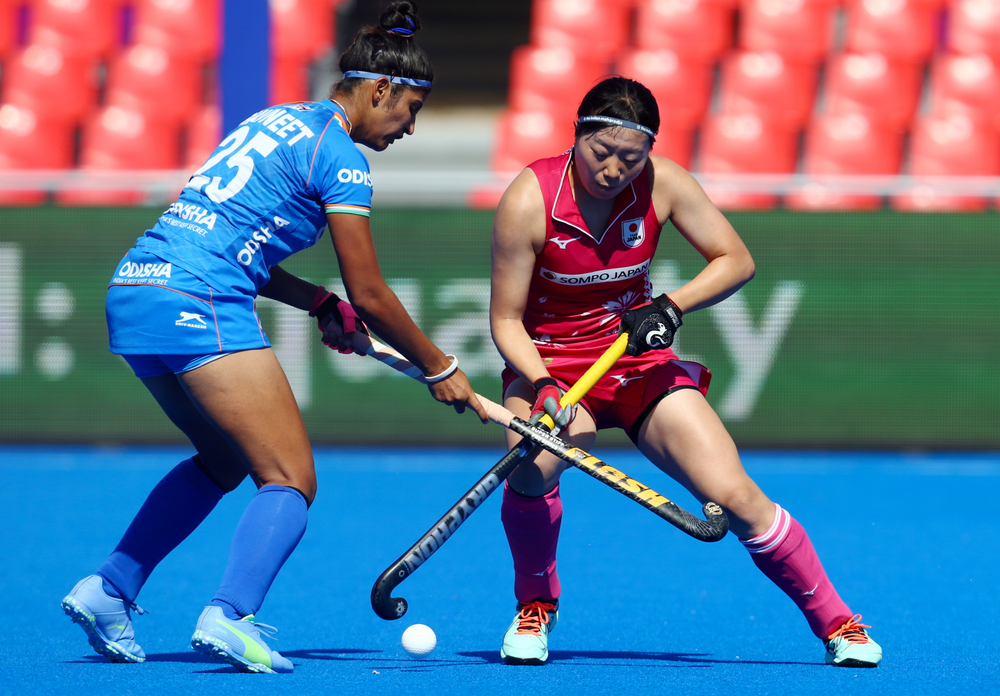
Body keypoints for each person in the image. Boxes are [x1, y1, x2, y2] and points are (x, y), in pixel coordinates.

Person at [61, 1, 485, 674]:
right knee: (290, 477)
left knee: (222, 457)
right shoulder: (341, 157)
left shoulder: (273, 119)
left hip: (137, 289)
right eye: (411, 109)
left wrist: (317, 301)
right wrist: (439, 367)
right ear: (380, 89)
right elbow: (371, 293)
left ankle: (109, 590)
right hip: (199, 298)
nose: (410, 127)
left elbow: (235, 239)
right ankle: (230, 615)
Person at [489, 76, 882, 669]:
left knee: (737, 497)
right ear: (577, 135)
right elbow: (505, 320)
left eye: (630, 157)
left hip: (635, 361)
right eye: (601, 151)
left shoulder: (664, 183)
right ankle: (535, 605)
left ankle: (839, 623)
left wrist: (671, 306)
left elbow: (736, 260)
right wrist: (543, 383)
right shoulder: (529, 199)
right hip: (548, 365)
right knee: (531, 472)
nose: (613, 170)